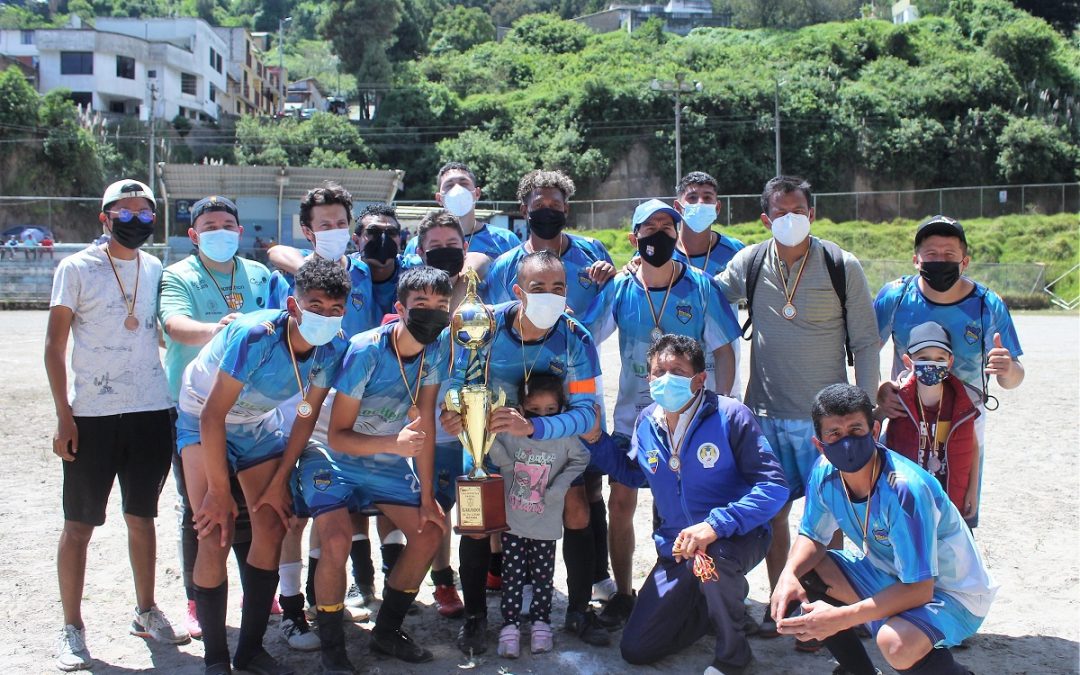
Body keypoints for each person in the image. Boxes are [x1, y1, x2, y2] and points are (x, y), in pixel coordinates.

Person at [714, 175, 880, 638]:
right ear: (765, 219)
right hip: (764, 414)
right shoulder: (748, 262)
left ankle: (831, 613)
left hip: (828, 423)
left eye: (798, 211)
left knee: (831, 518)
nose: (791, 220)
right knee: (773, 516)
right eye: (780, 213)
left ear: (812, 214)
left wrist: (866, 415)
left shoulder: (840, 264)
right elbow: (704, 295)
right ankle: (782, 604)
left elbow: (866, 342)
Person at [177, 257, 350, 675]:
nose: (324, 317)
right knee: (214, 530)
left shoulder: (334, 346)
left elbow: (307, 413)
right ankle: (216, 658)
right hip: (203, 417)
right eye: (315, 306)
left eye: (334, 310)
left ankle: (250, 651)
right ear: (293, 306)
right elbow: (211, 416)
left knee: (272, 522)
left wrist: (278, 483)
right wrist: (219, 492)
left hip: (256, 424)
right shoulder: (257, 336)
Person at [45, 179, 188, 672]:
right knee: (79, 525)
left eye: (145, 214)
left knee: (142, 517)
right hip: (92, 417)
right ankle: (72, 627)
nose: (136, 220)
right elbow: (53, 346)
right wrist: (64, 414)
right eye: (124, 212)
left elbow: (168, 337)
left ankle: (146, 611)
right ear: (104, 218)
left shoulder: (156, 269)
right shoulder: (76, 268)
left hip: (151, 412)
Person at [585, 334, 787, 674]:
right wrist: (596, 440)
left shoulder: (730, 416)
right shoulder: (647, 420)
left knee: (715, 560)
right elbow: (635, 474)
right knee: (636, 648)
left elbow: (774, 486)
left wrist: (716, 525)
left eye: (676, 371)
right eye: (657, 372)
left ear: (699, 379)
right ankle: (716, 605)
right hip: (679, 550)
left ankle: (733, 655)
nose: (665, 380)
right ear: (648, 378)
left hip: (733, 540)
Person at [441, 250, 608, 654]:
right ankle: (477, 617)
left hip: (550, 443)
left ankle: (579, 609)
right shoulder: (483, 325)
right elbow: (452, 376)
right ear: (518, 291)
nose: (550, 296)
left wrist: (535, 426)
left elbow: (588, 414)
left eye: (558, 288)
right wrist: (453, 410)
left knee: (579, 508)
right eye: (538, 288)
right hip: (489, 445)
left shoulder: (576, 337)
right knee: (476, 519)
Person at [771, 384, 996, 675]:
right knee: (804, 573)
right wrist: (787, 575)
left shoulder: (904, 491)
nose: (846, 442)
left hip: (951, 593)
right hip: (893, 575)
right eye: (834, 434)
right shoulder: (823, 472)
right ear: (820, 444)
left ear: (875, 432)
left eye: (856, 430)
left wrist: (841, 617)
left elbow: (920, 589)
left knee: (895, 643)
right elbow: (813, 537)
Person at [592, 198, 740, 629]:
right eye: (649, 226)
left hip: (690, 420)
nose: (659, 233)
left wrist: (723, 405)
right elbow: (585, 337)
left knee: (689, 510)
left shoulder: (700, 285)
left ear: (678, 234)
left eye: (667, 225)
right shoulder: (620, 289)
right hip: (631, 421)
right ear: (633, 237)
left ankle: (697, 593)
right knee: (621, 502)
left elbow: (725, 349)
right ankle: (624, 592)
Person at [297, 266, 452, 670]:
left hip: (384, 457)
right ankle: (333, 650)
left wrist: (426, 495)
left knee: (429, 530)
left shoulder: (436, 349)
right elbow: (337, 436)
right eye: (421, 304)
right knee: (335, 539)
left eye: (441, 305)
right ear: (400, 308)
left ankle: (386, 632)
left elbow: (427, 428)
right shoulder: (367, 350)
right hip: (333, 456)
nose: (432, 313)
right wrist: (393, 444)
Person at [158, 195, 273, 642]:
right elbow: (173, 325)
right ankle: (194, 597)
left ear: (240, 232)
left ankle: (251, 591)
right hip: (195, 409)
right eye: (209, 226)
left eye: (228, 224)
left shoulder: (260, 274)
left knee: (250, 507)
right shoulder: (177, 276)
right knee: (202, 508)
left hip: (253, 409)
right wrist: (224, 331)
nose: (220, 231)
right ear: (193, 235)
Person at [874, 214, 1024, 528]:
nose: (939, 261)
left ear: (965, 261)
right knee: (900, 516)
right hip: (907, 421)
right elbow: (864, 352)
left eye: (949, 255)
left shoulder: (987, 305)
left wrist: (1007, 369)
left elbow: (1014, 377)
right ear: (916, 260)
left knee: (958, 521)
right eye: (931, 254)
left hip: (962, 427)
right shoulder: (895, 297)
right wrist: (879, 390)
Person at [487, 374, 590, 659]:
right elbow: (498, 454)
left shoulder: (565, 437)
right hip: (513, 522)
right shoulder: (510, 432)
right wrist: (496, 453)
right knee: (512, 574)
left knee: (544, 577)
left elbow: (581, 458)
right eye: (533, 410)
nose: (542, 416)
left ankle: (540, 623)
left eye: (550, 411)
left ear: (561, 409)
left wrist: (560, 486)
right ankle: (509, 625)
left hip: (546, 521)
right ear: (520, 408)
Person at [481, 169, 615, 335]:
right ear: (524, 210)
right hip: (524, 359)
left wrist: (614, 276)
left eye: (555, 205)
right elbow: (496, 322)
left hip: (583, 356)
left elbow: (612, 303)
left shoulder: (593, 252)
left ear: (565, 209)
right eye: (539, 205)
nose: (547, 211)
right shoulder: (505, 266)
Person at [883, 322, 982, 526]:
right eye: (923, 359)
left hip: (949, 502)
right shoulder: (897, 400)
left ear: (950, 361)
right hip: (907, 504)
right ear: (908, 362)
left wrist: (973, 490)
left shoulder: (961, 403)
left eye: (939, 359)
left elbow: (972, 445)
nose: (932, 364)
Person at [404, 161, 520, 262]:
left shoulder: (506, 240)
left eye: (464, 183)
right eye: (449, 185)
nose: (457, 189)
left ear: (477, 193)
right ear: (439, 198)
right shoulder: (418, 245)